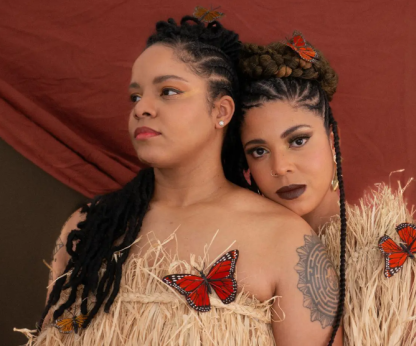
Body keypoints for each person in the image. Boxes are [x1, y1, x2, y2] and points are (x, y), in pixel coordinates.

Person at [15, 17, 343, 346]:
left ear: (221, 110)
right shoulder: (88, 227)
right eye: (135, 97)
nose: (142, 108)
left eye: (168, 91)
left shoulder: (285, 240)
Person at [223, 38, 416, 345]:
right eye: (259, 151)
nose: (281, 166)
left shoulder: (388, 257)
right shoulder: (247, 262)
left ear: (332, 140)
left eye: (298, 141)